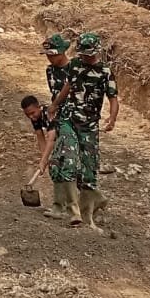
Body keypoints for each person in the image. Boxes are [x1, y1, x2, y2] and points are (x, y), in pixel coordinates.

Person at [52, 32, 120, 230]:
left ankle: (88, 212)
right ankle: (73, 212)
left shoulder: (105, 72)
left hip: (89, 126)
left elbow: (113, 98)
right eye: (82, 54)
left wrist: (112, 118)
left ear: (97, 52)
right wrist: (55, 105)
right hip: (69, 120)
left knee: (89, 172)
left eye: (88, 55)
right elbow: (68, 86)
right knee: (68, 160)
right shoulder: (75, 65)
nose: (85, 57)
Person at [41, 33, 82, 222]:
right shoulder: (50, 71)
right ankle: (59, 206)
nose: (49, 58)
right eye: (47, 55)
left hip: (75, 121)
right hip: (59, 119)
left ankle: (75, 209)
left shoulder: (76, 69)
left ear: (62, 52)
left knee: (70, 164)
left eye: (52, 54)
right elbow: (54, 94)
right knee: (57, 163)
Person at [20, 94, 57, 183]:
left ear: (39, 107)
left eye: (32, 113)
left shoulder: (48, 113)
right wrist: (44, 157)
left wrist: (44, 160)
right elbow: (40, 137)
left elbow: (51, 138)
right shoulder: (34, 118)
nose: (31, 117)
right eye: (27, 115)